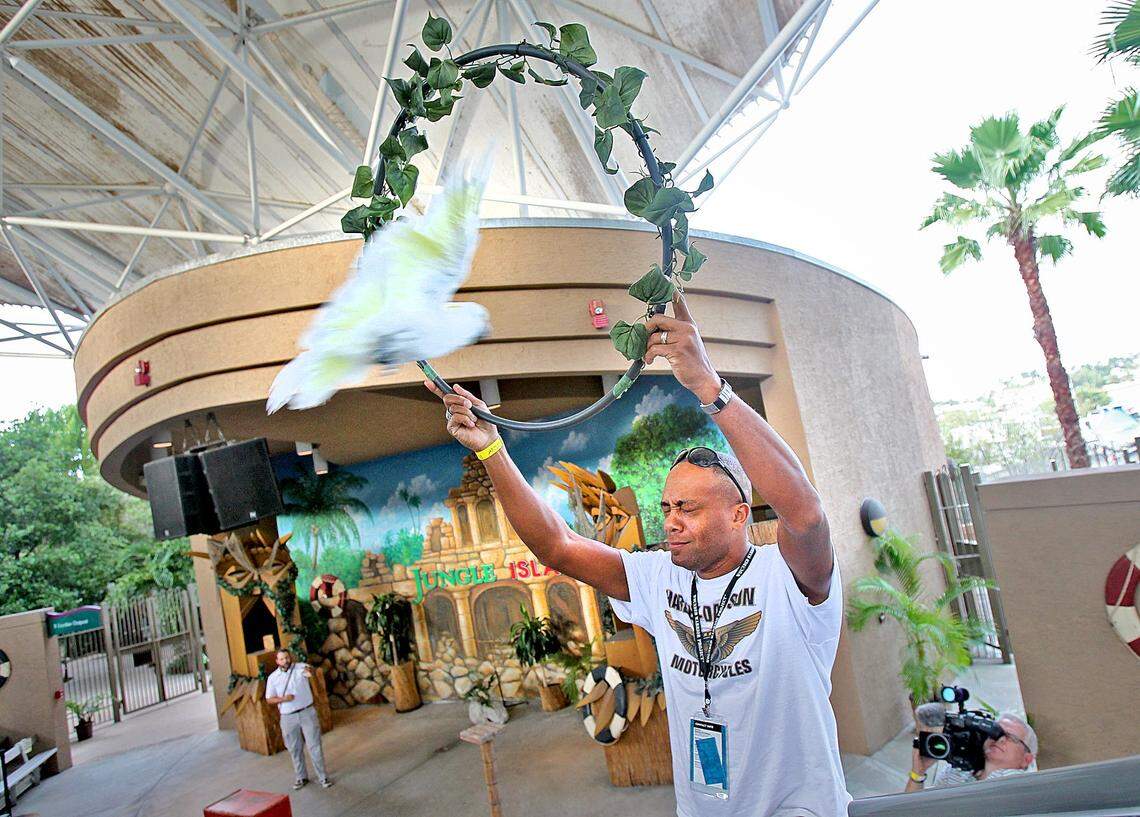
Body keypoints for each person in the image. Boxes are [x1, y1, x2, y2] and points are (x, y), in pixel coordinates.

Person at [425, 295, 850, 817]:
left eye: (689, 509)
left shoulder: (788, 579)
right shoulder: (657, 577)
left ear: (740, 515)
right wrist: (491, 449)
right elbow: (557, 545)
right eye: (668, 506)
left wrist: (709, 388)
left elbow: (806, 515)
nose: (671, 520)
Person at [905, 712, 1037, 791]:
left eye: (1010, 737)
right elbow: (913, 811)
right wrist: (918, 773)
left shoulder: (1021, 784)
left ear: (1027, 759)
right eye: (995, 732)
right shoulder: (958, 772)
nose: (999, 739)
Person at [265, 648, 331, 790]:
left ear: (290, 657)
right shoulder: (273, 678)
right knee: (294, 748)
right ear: (277, 661)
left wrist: (311, 672)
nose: (285, 661)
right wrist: (284, 699)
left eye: (287, 658)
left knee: (314, 745)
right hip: (288, 716)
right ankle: (301, 777)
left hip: (307, 712)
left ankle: (322, 776)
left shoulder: (301, 668)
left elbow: (310, 674)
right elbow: (269, 699)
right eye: (282, 659)